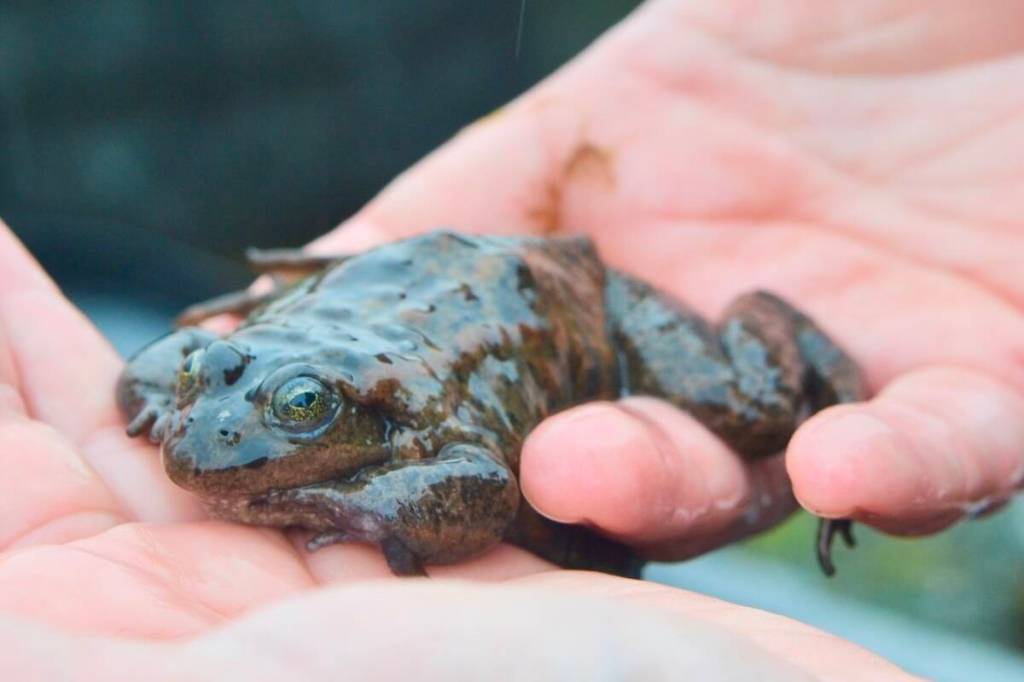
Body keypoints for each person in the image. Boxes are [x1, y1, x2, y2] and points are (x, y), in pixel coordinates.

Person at [1, 0, 1022, 678]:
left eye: (300, 409)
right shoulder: (232, 374)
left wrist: (352, 499)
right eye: (216, 382)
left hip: (568, 300)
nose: (212, 428)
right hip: (403, 283)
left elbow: (479, 483)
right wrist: (185, 387)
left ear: (355, 414)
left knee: (750, 410)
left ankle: (800, 342)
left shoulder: (405, 422)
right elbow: (157, 369)